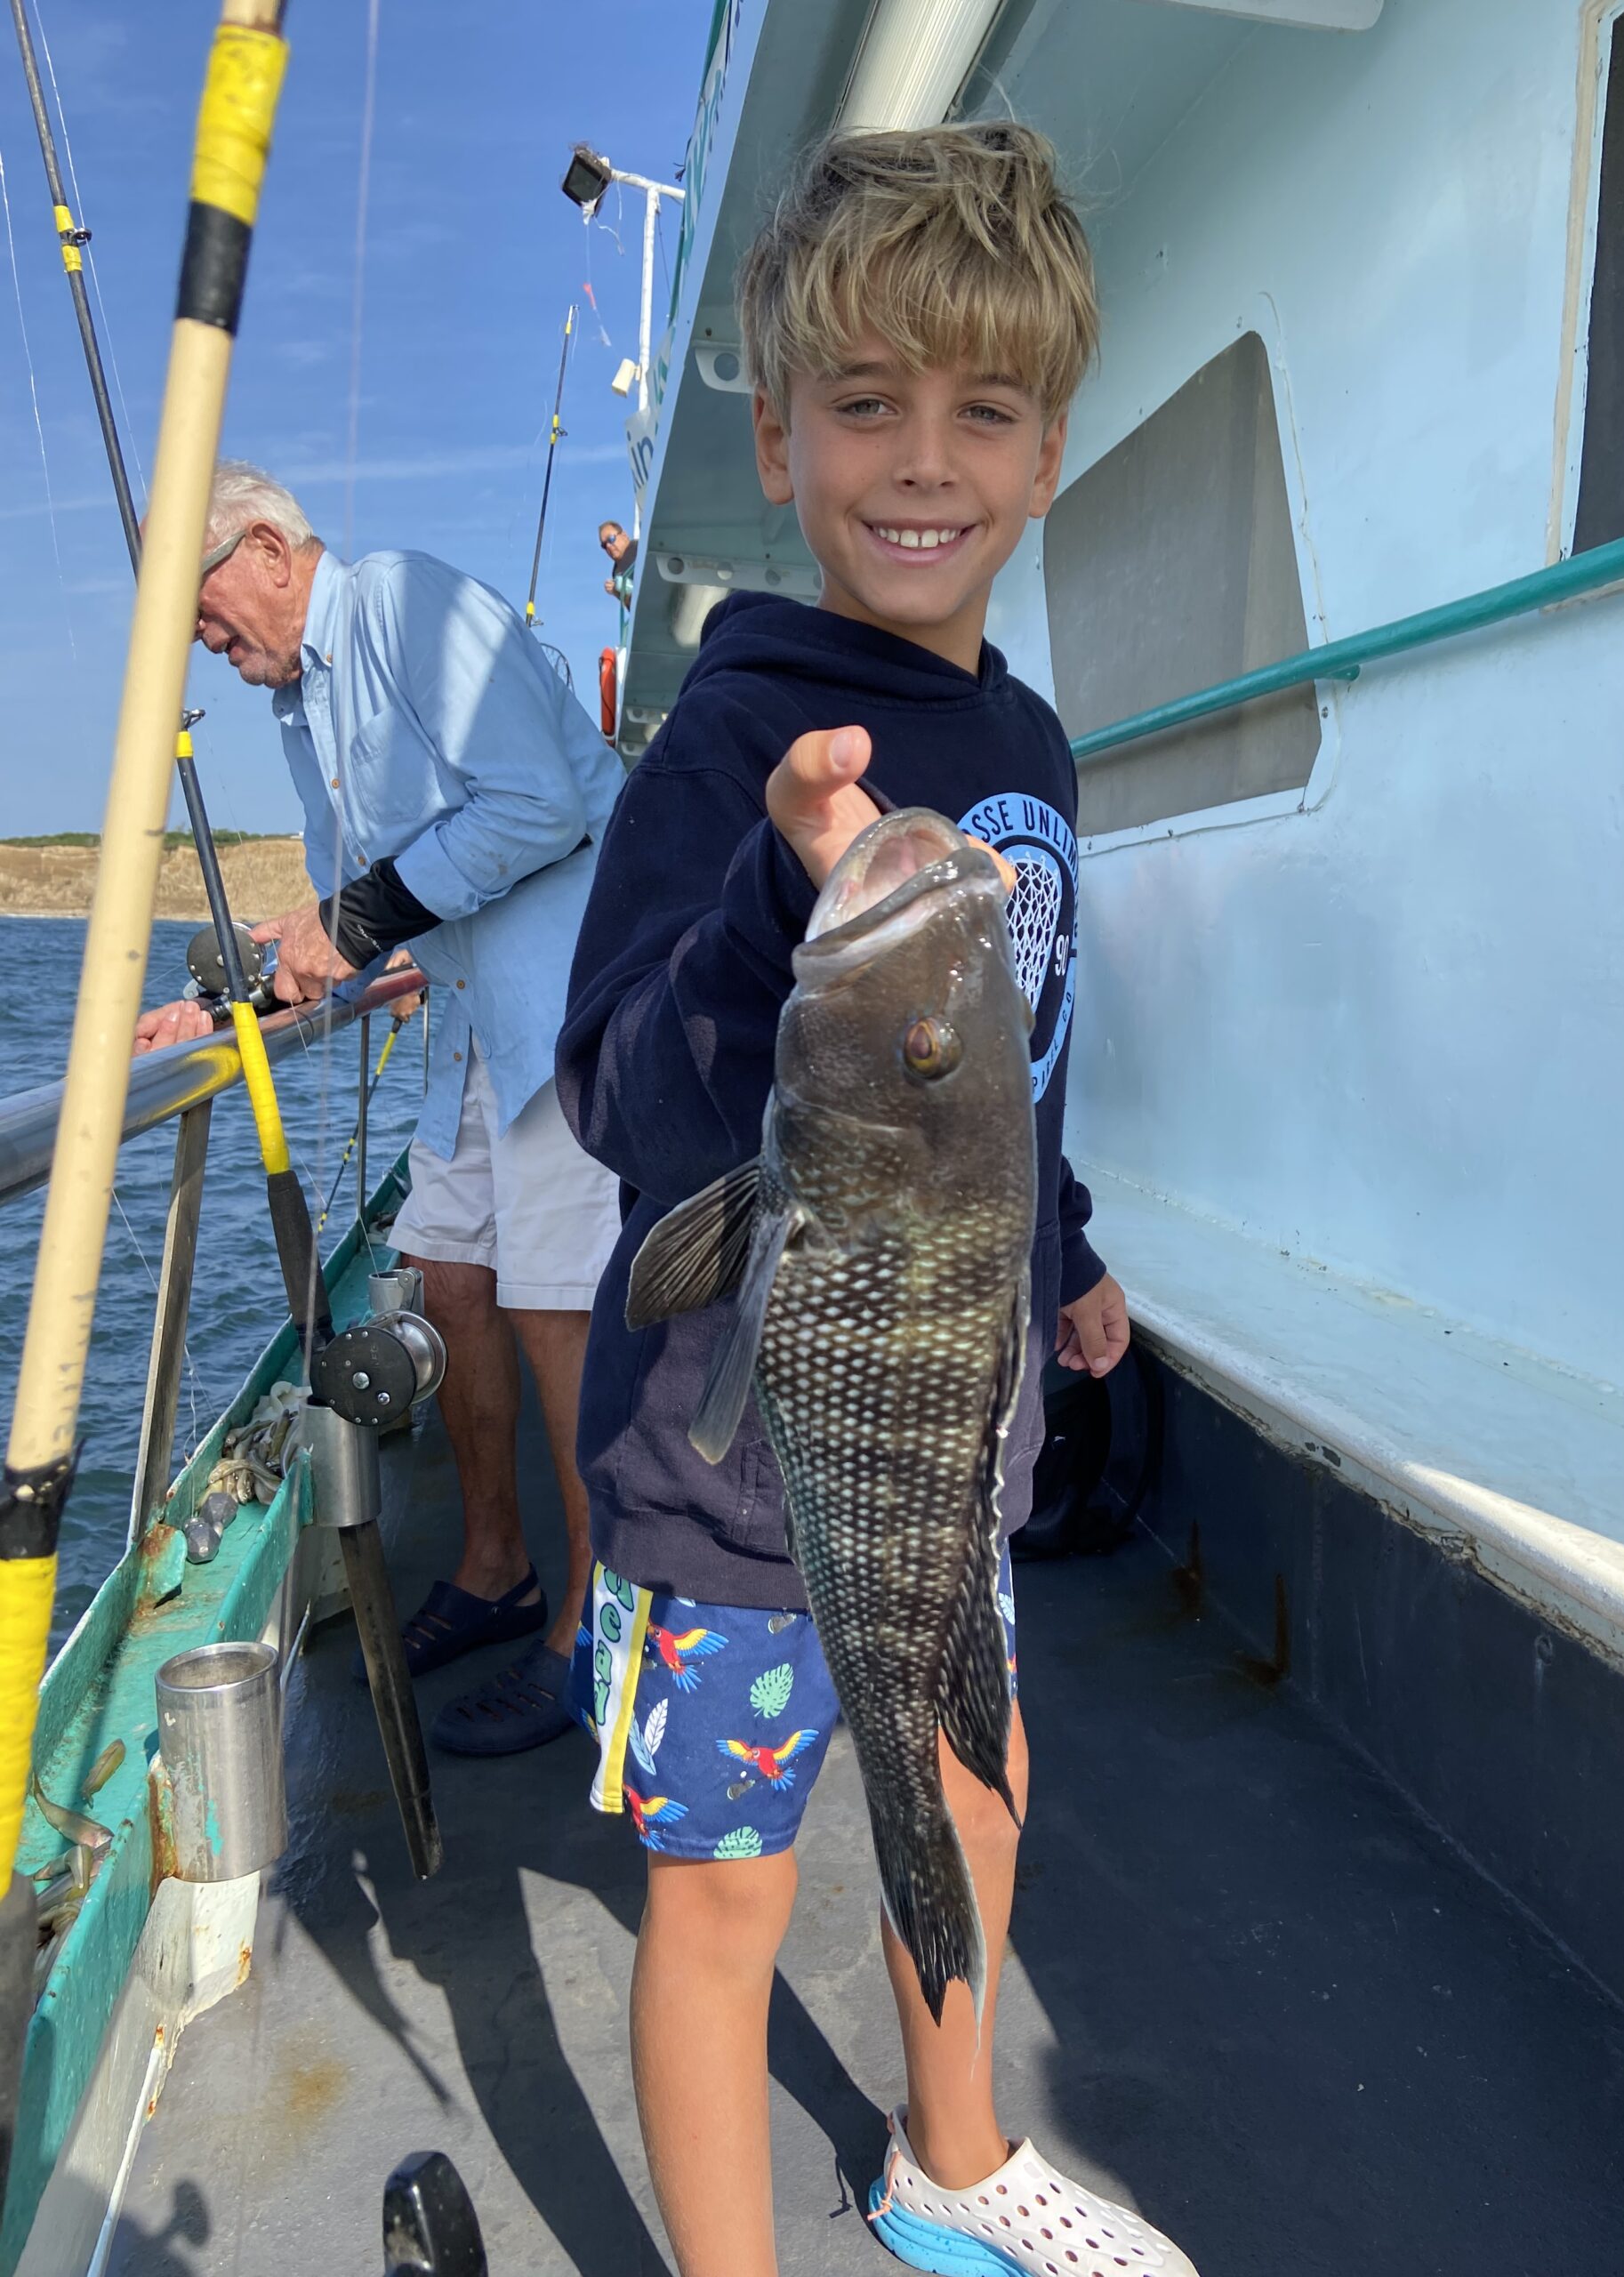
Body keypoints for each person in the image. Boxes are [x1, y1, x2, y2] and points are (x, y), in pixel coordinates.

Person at [557, 127, 1196, 2277]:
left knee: (975, 1777)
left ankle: (954, 2148)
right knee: (721, 1894)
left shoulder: (1032, 735)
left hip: (957, 1440)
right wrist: (773, 895)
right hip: (727, 1485)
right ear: (780, 437)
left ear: (1046, 454)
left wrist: (1066, 1244)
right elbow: (617, 1091)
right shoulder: (730, 734)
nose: (925, 458)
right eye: (864, 402)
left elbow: (1012, 1059)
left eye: (983, 408)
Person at [135, 462, 626, 1758]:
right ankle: (495, 1566)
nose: (196, 636)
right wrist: (236, 999)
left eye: (193, 601)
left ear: (265, 548)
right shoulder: (302, 706)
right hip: (469, 1021)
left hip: (562, 1007)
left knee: (552, 1305)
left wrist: (347, 922)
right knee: (446, 1278)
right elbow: (370, 910)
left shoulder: (405, 602)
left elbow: (540, 804)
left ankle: (594, 1631)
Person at [599, 518, 638, 602]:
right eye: (604, 545)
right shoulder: (616, 573)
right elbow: (631, 604)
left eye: (611, 539)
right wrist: (615, 592)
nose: (608, 546)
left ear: (624, 535)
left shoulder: (639, 547)